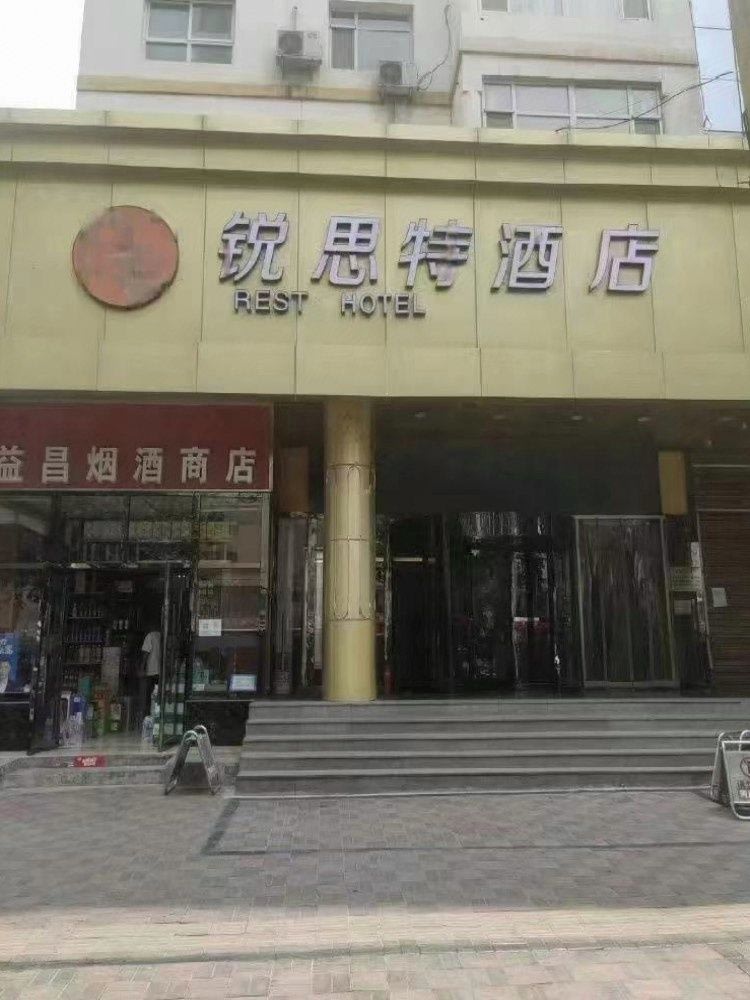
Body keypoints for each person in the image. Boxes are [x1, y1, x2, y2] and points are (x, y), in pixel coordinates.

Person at [140, 617, 162, 720]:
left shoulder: (150, 636)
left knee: (148, 695)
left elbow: (146, 653)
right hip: (160, 671)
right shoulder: (161, 636)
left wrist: (142, 667)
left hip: (151, 671)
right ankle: (157, 714)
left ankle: (148, 716)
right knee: (157, 694)